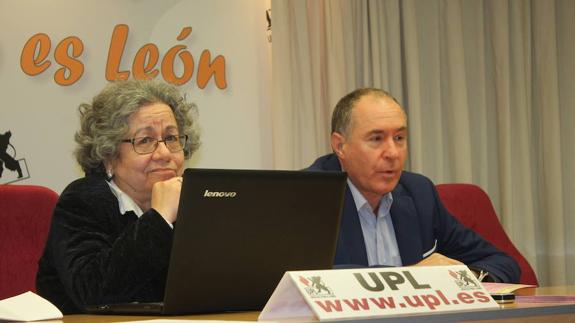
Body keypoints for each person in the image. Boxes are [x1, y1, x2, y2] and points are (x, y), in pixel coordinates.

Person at [308, 88, 520, 283]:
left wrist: (462, 278)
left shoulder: (419, 193)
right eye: (376, 139)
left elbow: (501, 263)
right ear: (340, 146)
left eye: (399, 138)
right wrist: (414, 277)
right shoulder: (306, 196)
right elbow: (298, 280)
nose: (393, 152)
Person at [36, 80, 201, 313]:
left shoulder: (193, 203)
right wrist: (160, 219)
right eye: (145, 141)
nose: (164, 153)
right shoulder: (82, 201)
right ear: (109, 155)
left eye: (171, 138)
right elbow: (92, 293)